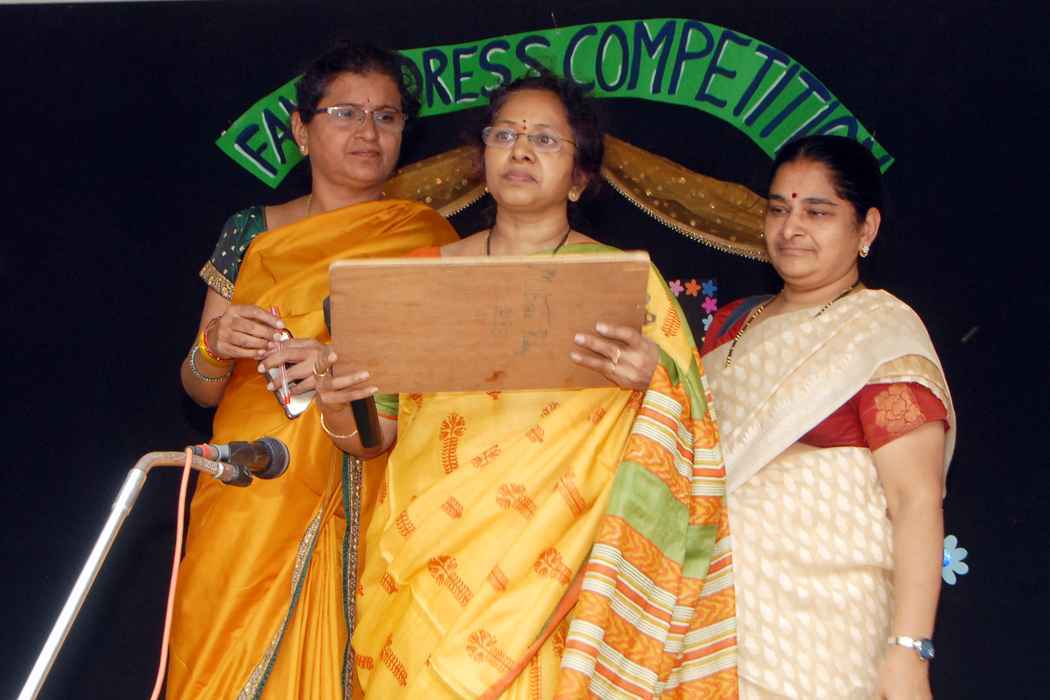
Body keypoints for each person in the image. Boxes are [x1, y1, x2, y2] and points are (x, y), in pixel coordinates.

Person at [313, 72, 738, 699]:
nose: (520, 150)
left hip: (558, 573)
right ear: (482, 163)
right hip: (426, 564)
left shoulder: (625, 286)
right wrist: (336, 403)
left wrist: (652, 381)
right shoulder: (419, 278)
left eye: (544, 139)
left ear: (579, 176)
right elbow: (373, 438)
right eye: (505, 134)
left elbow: (695, 429)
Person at [169, 42, 458, 699]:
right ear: (302, 129)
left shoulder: (428, 241)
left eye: (387, 117)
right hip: (256, 488)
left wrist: (344, 365)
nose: (368, 132)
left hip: (374, 488)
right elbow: (199, 389)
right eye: (346, 113)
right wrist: (215, 345)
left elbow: (439, 392)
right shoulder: (251, 231)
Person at [700, 135, 956, 699]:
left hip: (827, 633)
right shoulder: (730, 327)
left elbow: (915, 499)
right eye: (778, 209)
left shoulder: (879, 333)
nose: (791, 228)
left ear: (866, 228)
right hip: (714, 624)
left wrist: (909, 650)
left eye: (817, 212)